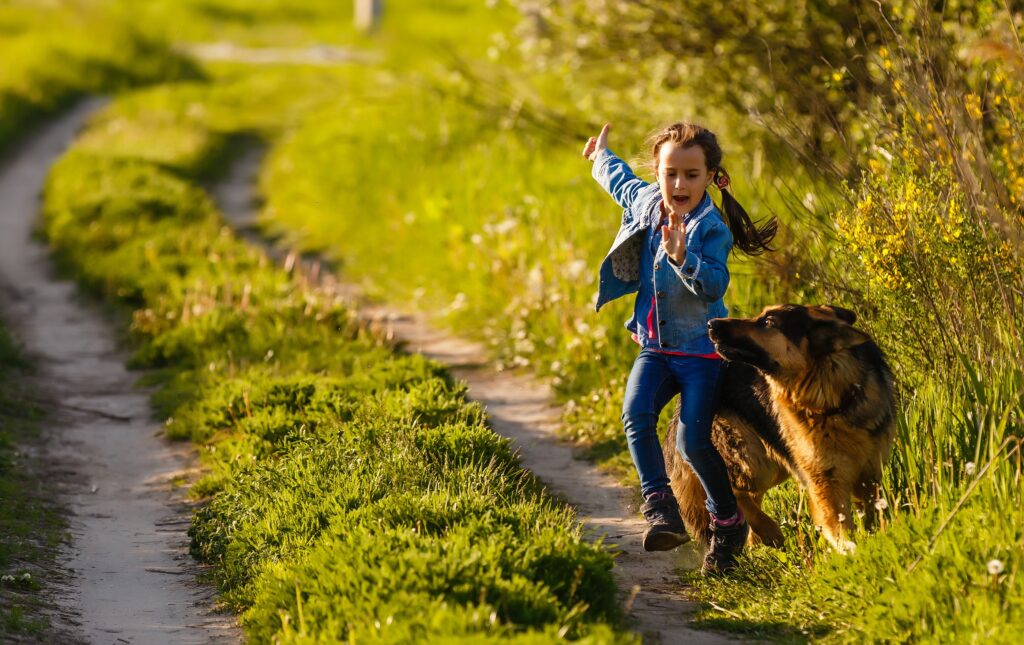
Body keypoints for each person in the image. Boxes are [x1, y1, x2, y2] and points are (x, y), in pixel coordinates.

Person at [582, 121, 777, 574]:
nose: (679, 184)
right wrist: (600, 157)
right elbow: (621, 184)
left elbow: (713, 286)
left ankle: (727, 522)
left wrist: (680, 256)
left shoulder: (712, 229)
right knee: (636, 414)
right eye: (670, 173)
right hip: (654, 347)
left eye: (691, 175)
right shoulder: (650, 202)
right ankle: (660, 507)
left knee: (692, 442)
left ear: (711, 176)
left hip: (701, 355)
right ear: (658, 172)